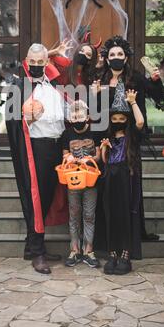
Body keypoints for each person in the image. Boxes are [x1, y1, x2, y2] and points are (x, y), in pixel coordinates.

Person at [94, 36, 164, 245]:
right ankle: (107, 235)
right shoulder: (101, 78)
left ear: (126, 58)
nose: (116, 57)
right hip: (107, 137)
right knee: (107, 184)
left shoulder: (136, 77)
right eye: (112, 55)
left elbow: (159, 97)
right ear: (107, 58)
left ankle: (135, 232)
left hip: (131, 139)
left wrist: (155, 79)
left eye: (120, 54)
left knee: (133, 185)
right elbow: (96, 109)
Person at [5, 43, 68, 275]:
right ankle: (38, 252)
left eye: (41, 63)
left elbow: (62, 116)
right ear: (26, 62)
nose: (37, 66)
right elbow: (11, 121)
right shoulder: (18, 86)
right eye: (33, 62)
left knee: (48, 198)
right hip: (36, 150)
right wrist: (27, 120)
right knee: (36, 200)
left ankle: (31, 247)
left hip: (55, 147)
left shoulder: (53, 85)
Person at [100, 82, 144, 274]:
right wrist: (103, 149)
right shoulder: (109, 137)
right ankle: (112, 253)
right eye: (115, 118)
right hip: (110, 179)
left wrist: (133, 103)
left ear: (126, 119)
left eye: (121, 118)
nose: (118, 120)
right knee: (112, 215)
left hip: (126, 179)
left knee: (124, 215)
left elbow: (140, 122)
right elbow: (104, 161)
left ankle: (125, 254)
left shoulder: (131, 135)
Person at [62, 100, 101, 268]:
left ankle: (88, 250)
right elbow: (64, 157)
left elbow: (99, 156)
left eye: (80, 115)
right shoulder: (67, 135)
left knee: (89, 215)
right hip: (73, 180)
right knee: (74, 215)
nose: (77, 118)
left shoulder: (95, 132)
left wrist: (90, 158)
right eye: (74, 115)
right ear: (70, 118)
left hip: (91, 180)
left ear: (88, 116)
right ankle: (74, 249)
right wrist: (68, 157)